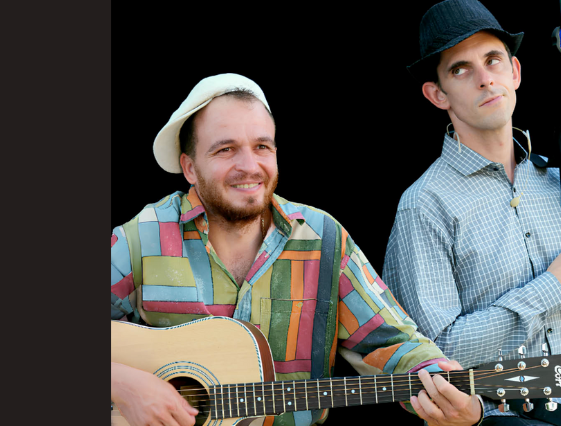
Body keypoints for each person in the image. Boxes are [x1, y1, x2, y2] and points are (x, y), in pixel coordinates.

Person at [110, 73, 485, 426]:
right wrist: (123, 384)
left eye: (262, 147)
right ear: (190, 168)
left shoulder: (322, 238)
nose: (249, 166)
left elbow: (392, 341)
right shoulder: (143, 237)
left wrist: (452, 391)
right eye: (226, 149)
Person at [382, 1, 561, 425]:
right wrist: (553, 289)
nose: (484, 78)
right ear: (437, 94)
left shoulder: (559, 183)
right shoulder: (424, 205)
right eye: (460, 69)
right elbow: (432, 355)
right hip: (497, 419)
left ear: (514, 72)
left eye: (492, 60)